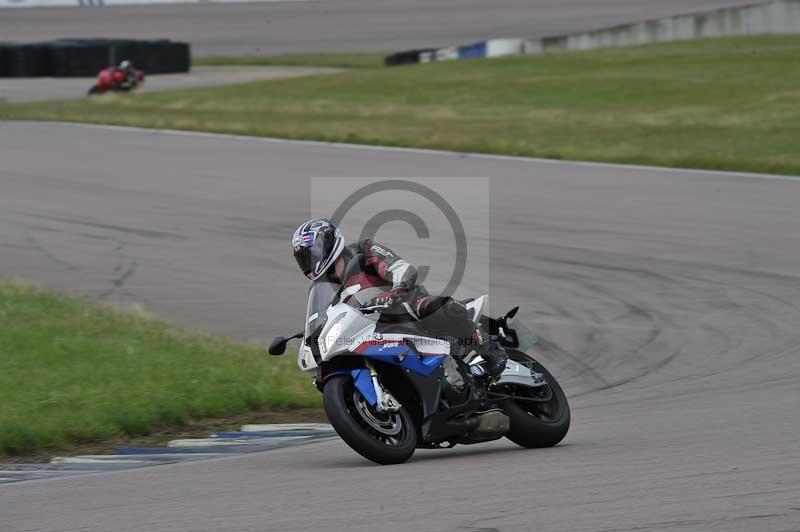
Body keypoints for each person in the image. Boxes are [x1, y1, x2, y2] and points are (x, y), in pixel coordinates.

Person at [290, 218, 507, 379]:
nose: (309, 262)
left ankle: (490, 350)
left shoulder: (363, 252)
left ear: (329, 244)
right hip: (370, 332)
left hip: (403, 308)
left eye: (312, 254)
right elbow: (325, 317)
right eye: (303, 259)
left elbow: (400, 267)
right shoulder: (323, 288)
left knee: (436, 307)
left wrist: (396, 290)